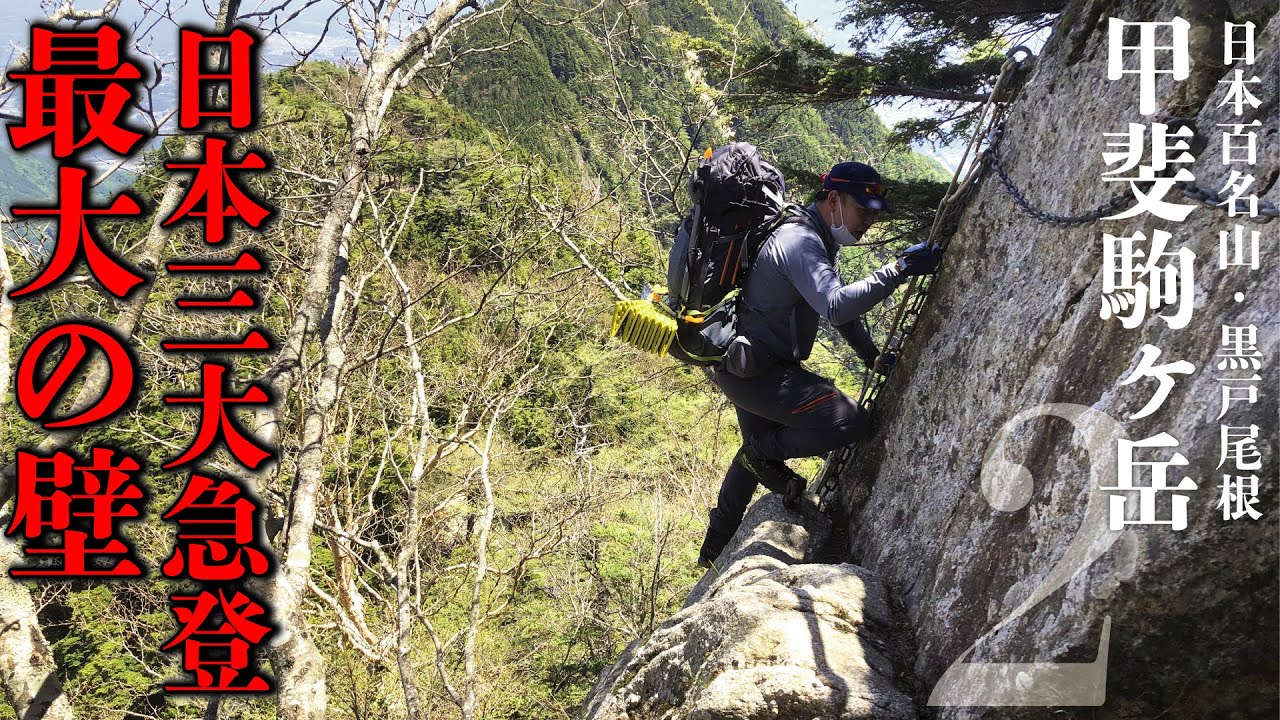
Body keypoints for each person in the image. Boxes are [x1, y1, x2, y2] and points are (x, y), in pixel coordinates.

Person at [698, 161, 943, 568]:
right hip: (759, 371)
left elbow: (838, 311)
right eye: (863, 210)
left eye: (874, 213)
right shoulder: (800, 241)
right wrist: (897, 269)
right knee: (848, 423)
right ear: (833, 200)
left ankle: (714, 548)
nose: (868, 220)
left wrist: (871, 356)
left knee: (753, 452)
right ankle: (759, 461)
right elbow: (833, 306)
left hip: (744, 365)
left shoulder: (811, 236)